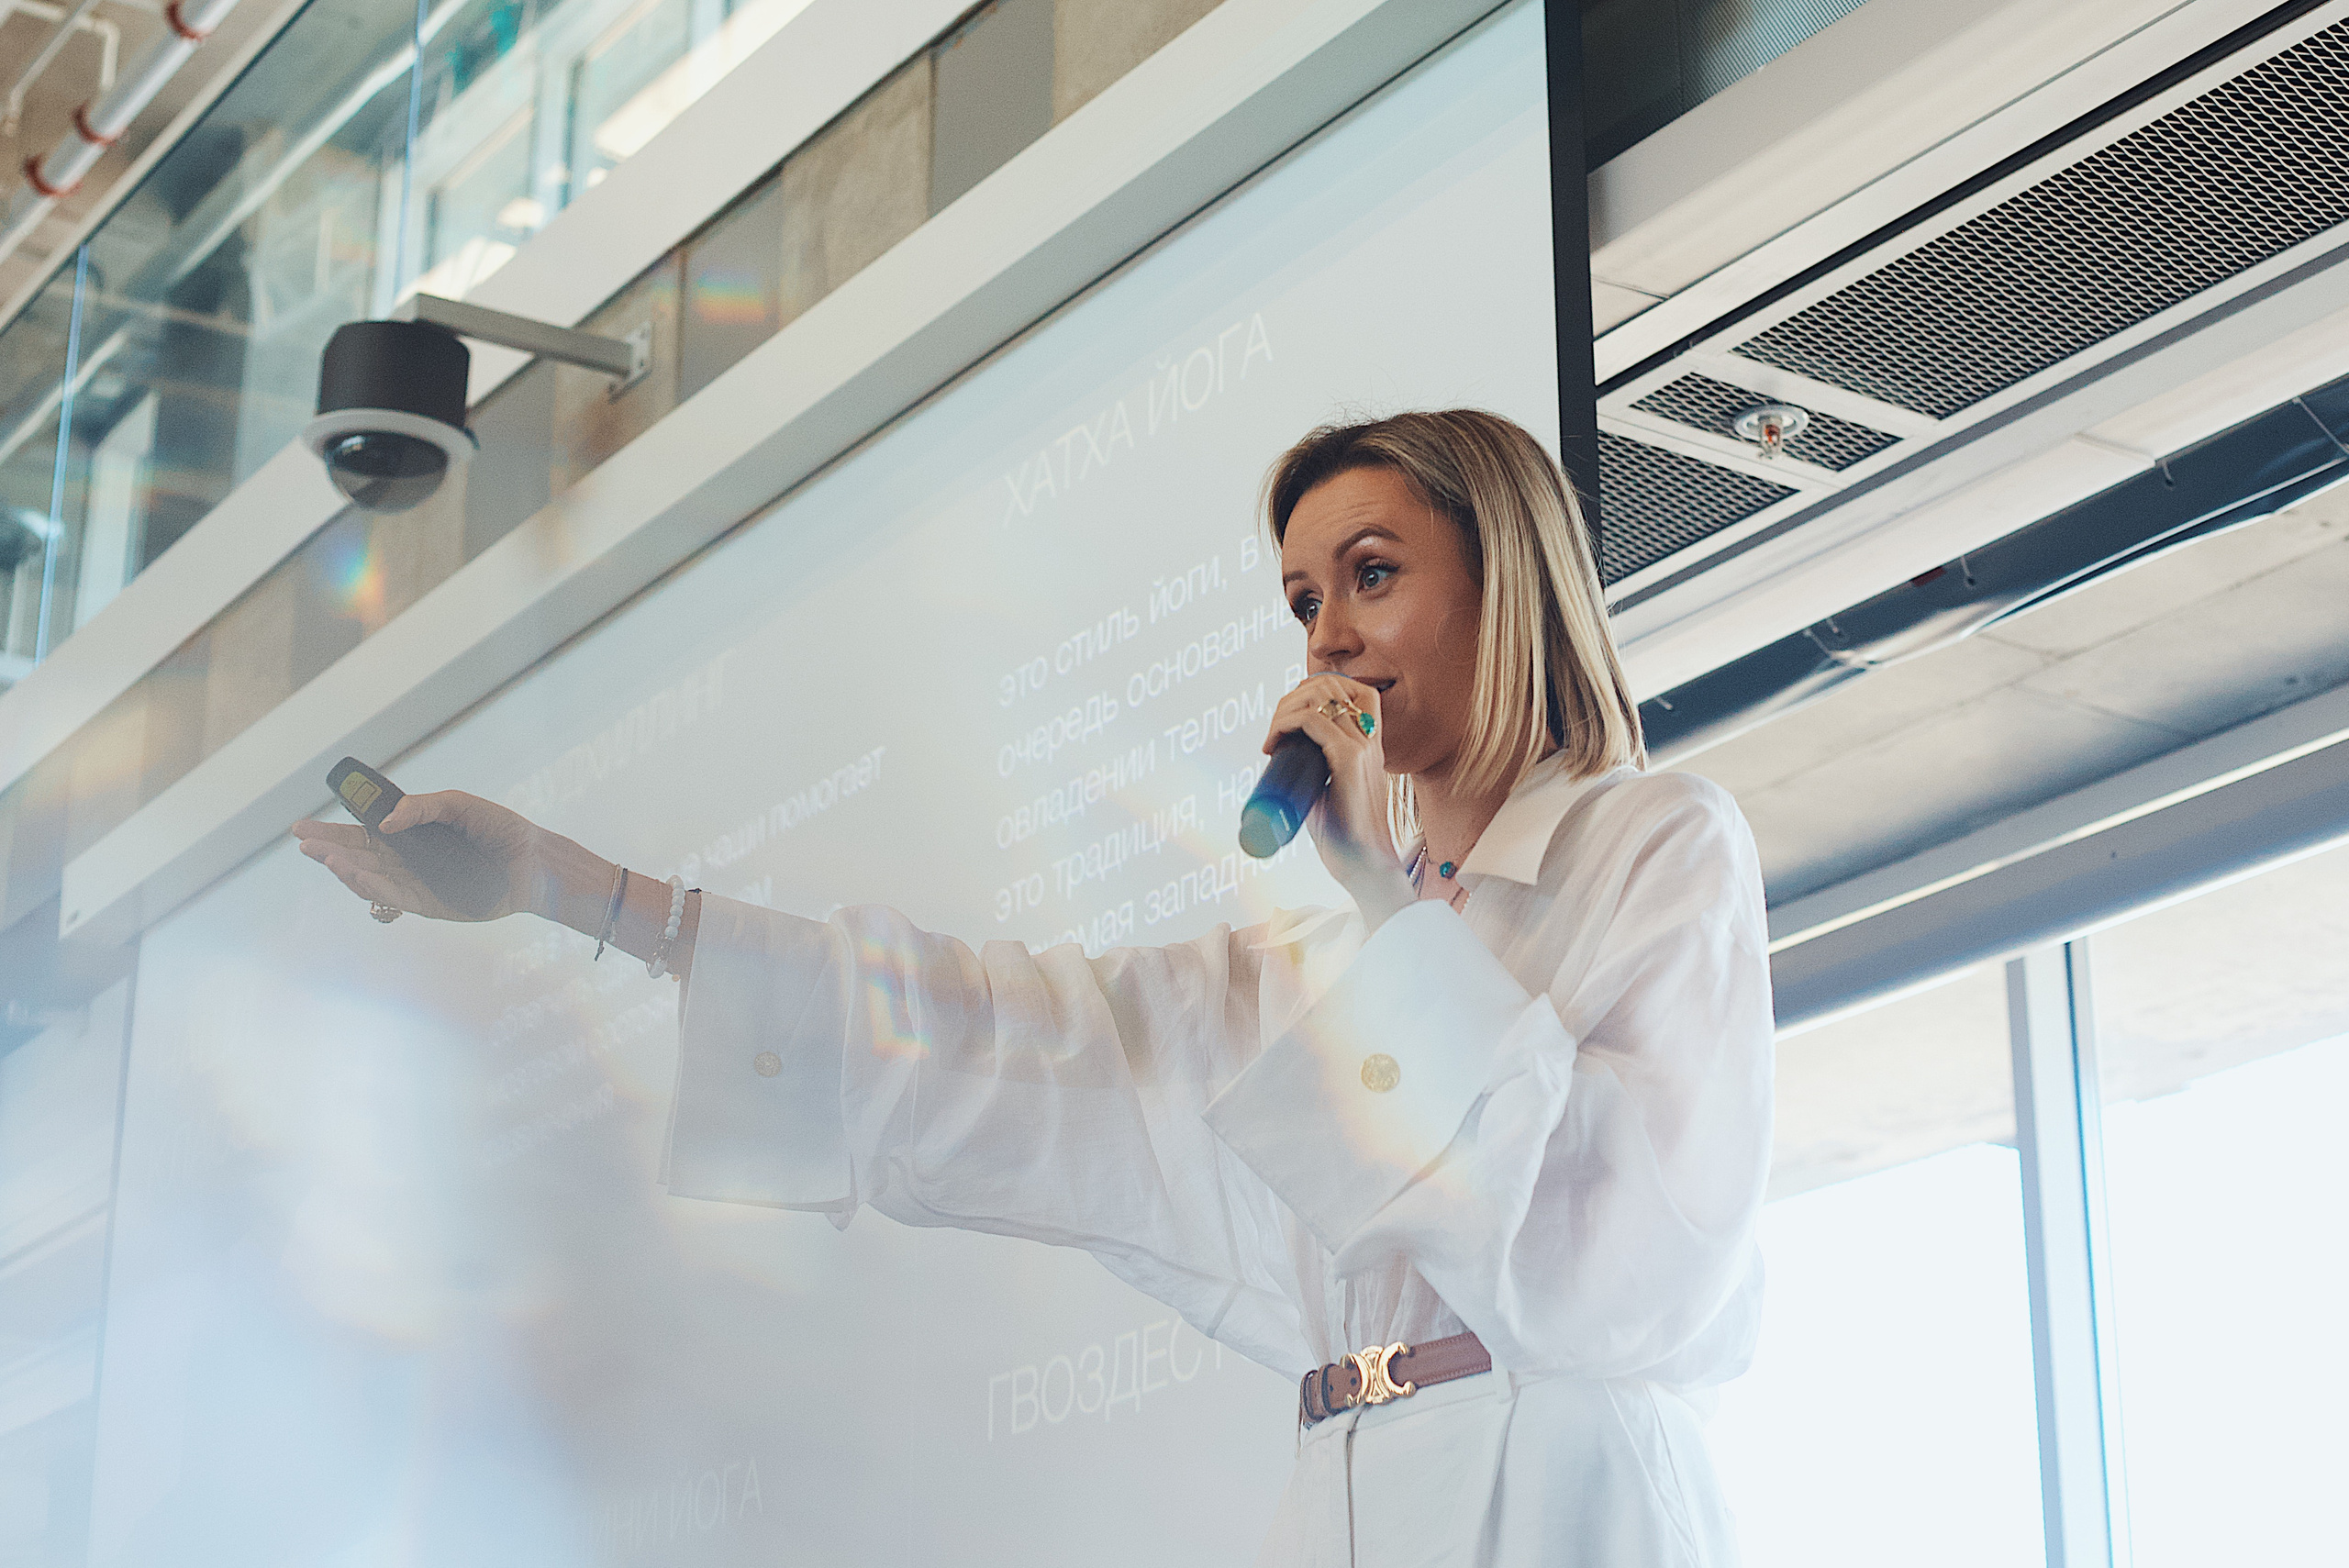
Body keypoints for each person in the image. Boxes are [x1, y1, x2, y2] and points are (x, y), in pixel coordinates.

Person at [295, 409, 1774, 1565]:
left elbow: (1628, 1258)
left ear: (1501, 578)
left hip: (1560, 1501)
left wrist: (1375, 896)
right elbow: (991, 1026)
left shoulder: (1654, 847)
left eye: (1372, 576)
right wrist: (573, 889)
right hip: (1340, 1498)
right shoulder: (1303, 958)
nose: (1324, 636)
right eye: (1303, 596)